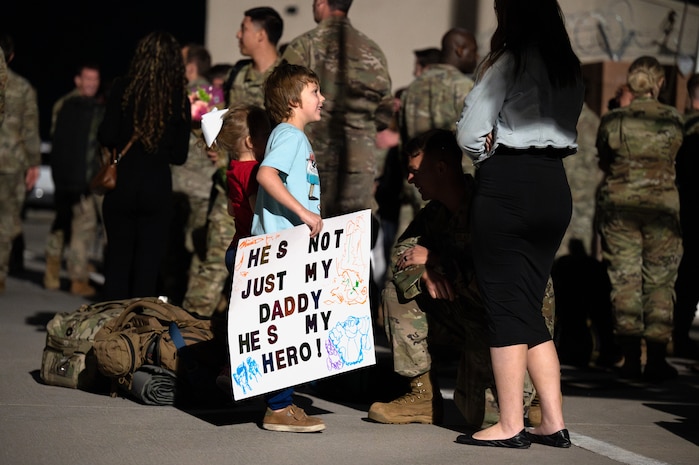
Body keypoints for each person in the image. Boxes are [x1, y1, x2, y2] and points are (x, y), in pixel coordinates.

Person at [455, 0, 584, 449]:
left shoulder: (510, 59)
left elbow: (470, 130)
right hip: (554, 184)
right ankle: (553, 420)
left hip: (508, 183)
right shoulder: (569, 66)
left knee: (505, 305)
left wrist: (488, 158)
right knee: (526, 305)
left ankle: (510, 423)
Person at [367, 129, 554, 429]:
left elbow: (497, 277)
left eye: (415, 172)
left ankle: (536, 397)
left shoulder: (488, 207)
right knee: (396, 294)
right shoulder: (435, 214)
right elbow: (401, 253)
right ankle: (422, 397)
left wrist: (438, 262)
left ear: (441, 168)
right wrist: (425, 272)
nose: (410, 180)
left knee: (485, 420)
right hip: (467, 313)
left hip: (510, 326)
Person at [182, 6, 284, 317]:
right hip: (232, 187)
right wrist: (211, 138)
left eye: (243, 28)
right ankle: (187, 334)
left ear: (261, 35)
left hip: (267, 192)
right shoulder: (236, 73)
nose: (238, 34)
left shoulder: (285, 77)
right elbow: (204, 108)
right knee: (213, 261)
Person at [596, 56, 684, 383]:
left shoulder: (614, 120)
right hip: (662, 209)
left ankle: (631, 358)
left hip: (620, 209)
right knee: (660, 282)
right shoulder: (674, 120)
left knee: (625, 280)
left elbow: (605, 161)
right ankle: (657, 358)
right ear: (660, 83)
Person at [249, 62, 325, 433]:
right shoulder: (290, 136)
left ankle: (282, 400)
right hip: (282, 250)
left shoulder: (291, 137)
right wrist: (304, 215)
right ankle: (279, 408)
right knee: (286, 329)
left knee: (285, 327)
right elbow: (265, 175)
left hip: (283, 247)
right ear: (295, 100)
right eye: (315, 91)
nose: (322, 98)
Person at [97, 30, 190, 300]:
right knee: (147, 269)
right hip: (156, 189)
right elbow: (179, 155)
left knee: (117, 263)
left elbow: (106, 135)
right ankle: (138, 332)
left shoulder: (122, 90)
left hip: (121, 187)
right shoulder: (178, 100)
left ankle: (112, 331)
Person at [282, 0, 392, 218]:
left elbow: (280, 98)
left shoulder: (304, 46)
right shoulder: (372, 50)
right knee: (354, 237)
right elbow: (385, 112)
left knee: (310, 239)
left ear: (322, 3)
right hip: (358, 164)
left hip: (311, 163)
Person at [43, 63, 105, 297]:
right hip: (73, 176)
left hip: (69, 175)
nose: (91, 84)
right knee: (74, 224)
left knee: (66, 222)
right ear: (77, 80)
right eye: (87, 79)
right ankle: (62, 272)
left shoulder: (80, 104)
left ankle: (55, 271)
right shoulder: (75, 106)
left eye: (95, 79)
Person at [163, 43, 216, 305]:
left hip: (191, 184)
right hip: (195, 184)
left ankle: (187, 304)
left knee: (190, 247)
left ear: (191, 67)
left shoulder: (201, 92)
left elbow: (192, 119)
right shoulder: (209, 92)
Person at [0, 33, 40, 294]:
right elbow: (29, 128)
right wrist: (33, 163)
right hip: (12, 162)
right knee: (5, 220)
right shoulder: (22, 87)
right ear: (11, 56)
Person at [673, 73, 699, 360]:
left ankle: (679, 334)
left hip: (683, 208)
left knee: (686, 276)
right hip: (692, 209)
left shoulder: (677, 125)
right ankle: (680, 336)